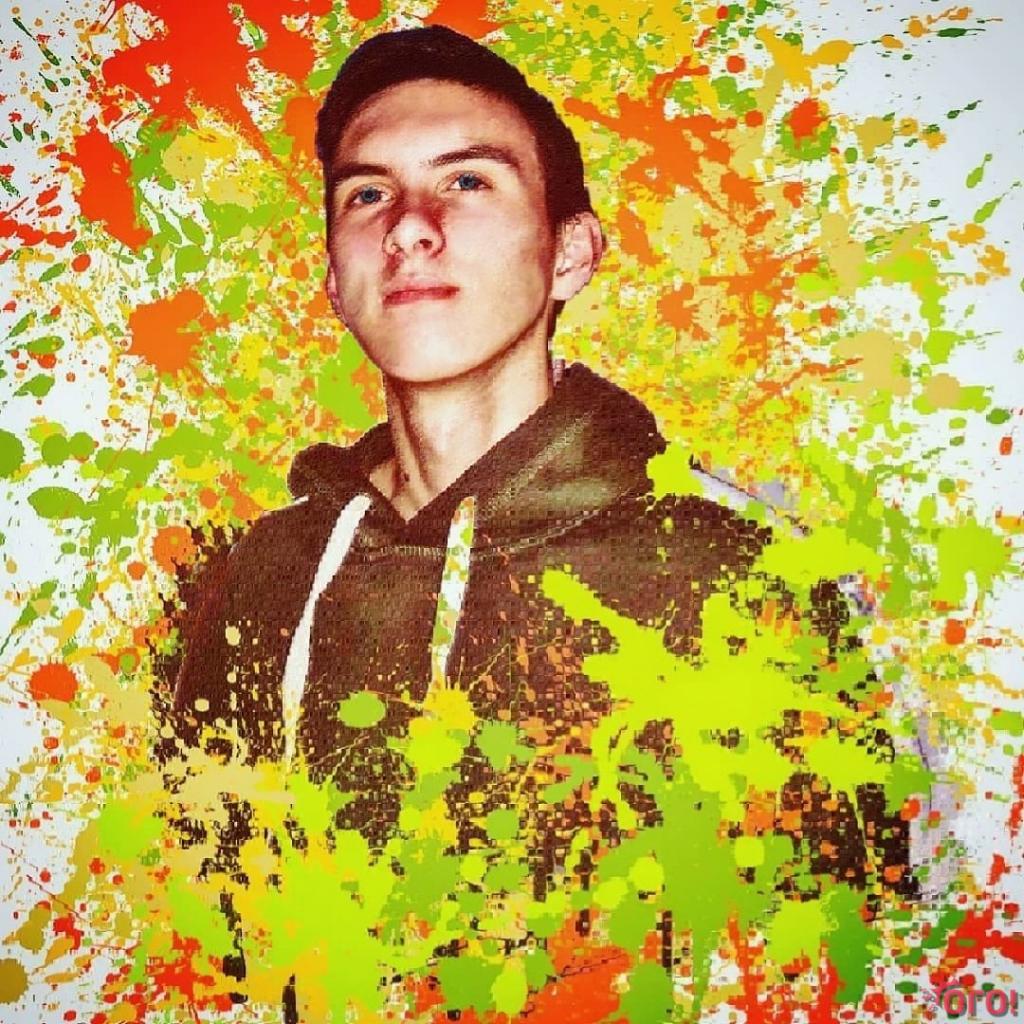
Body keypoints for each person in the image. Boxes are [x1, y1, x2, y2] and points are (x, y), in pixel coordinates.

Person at [166, 23, 911, 1014]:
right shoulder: (263, 576)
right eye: (368, 193)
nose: (410, 227)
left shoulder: (728, 571)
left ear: (570, 253)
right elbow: (200, 942)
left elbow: (840, 963)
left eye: (467, 181)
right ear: (334, 279)